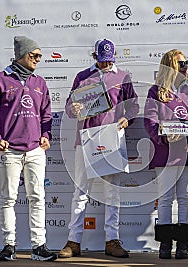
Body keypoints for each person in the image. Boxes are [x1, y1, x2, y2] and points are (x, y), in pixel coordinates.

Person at [59, 39, 139, 258]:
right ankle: (73, 242)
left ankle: (112, 241)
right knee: (80, 192)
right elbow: (68, 107)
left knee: (112, 194)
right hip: (85, 140)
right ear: (94, 56)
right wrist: (73, 108)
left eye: (109, 61)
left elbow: (133, 106)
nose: (105, 65)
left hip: (112, 139)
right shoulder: (82, 77)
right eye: (101, 61)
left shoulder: (123, 77)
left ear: (114, 57)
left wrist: (126, 119)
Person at [0, 36, 57, 261]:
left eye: (39, 56)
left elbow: (46, 114)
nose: (38, 60)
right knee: (8, 198)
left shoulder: (39, 82)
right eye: (34, 55)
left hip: (35, 150)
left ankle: (38, 247)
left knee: (37, 197)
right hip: (10, 150)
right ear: (21, 55)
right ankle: (9, 245)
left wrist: (46, 134)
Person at [144, 49, 188, 259]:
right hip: (165, 153)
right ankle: (165, 244)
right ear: (170, 66)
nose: (186, 67)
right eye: (181, 64)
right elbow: (150, 120)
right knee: (165, 199)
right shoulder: (156, 92)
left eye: (187, 63)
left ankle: (183, 244)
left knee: (184, 199)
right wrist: (163, 137)